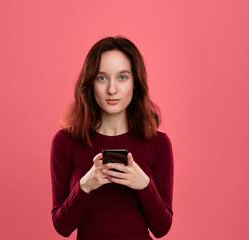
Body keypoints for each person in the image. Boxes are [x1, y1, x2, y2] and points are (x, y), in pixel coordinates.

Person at [50, 36, 173, 240]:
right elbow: (62, 227)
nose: (112, 89)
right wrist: (85, 185)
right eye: (102, 78)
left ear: (135, 83)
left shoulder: (158, 143)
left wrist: (144, 185)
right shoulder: (65, 142)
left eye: (122, 77)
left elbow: (162, 228)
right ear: (90, 83)